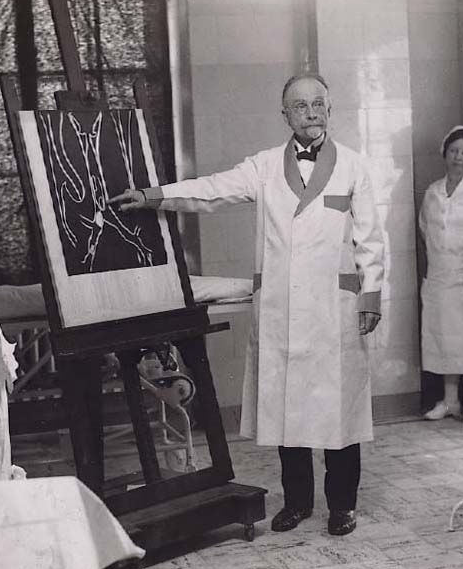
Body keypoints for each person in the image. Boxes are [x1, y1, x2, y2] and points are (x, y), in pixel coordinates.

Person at [111, 74, 384, 537]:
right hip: (280, 308)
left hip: (333, 309)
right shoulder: (262, 167)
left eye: (319, 103)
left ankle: (342, 506)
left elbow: (372, 239)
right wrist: (154, 195)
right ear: (285, 116)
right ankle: (296, 502)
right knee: (285, 411)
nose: (311, 113)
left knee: (340, 412)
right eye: (300, 106)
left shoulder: (355, 167)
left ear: (330, 109)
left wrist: (372, 295)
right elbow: (211, 189)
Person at [418, 126, 463, 426]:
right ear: (444, 153)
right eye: (453, 151)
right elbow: (425, 229)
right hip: (439, 276)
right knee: (445, 340)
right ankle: (450, 401)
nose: (458, 157)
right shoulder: (432, 191)